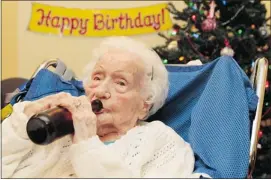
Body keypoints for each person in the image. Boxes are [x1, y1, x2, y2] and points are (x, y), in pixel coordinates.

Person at [2, 36, 196, 178]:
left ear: (144, 106)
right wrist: (23, 120)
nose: (101, 90)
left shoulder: (162, 143)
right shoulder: (58, 126)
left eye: (121, 83)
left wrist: (86, 144)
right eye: (97, 78)